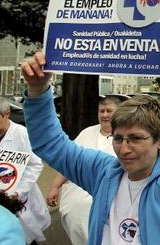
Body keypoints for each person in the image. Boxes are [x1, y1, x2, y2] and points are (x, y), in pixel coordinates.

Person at [21, 37, 160, 245]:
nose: (123, 149)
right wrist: (38, 91)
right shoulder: (102, 172)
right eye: (118, 138)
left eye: (136, 139)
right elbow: (51, 145)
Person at [46, 95, 124, 245]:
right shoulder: (86, 133)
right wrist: (55, 186)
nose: (105, 115)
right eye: (101, 111)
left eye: (109, 111)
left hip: (111, 205)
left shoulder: (126, 136)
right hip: (76, 206)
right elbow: (69, 161)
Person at [0, 96, 51, 245]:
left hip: (18, 196)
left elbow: (35, 165)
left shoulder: (22, 134)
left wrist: (19, 191)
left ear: (7, 114)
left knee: (25, 235)